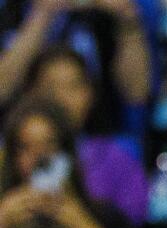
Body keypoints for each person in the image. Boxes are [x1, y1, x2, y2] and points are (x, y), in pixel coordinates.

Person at [0, 100, 145, 228]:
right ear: (12, 160)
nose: (39, 158)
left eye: (49, 144)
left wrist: (78, 223)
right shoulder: (4, 216)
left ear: (67, 153)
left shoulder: (103, 214)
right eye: (25, 147)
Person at [17, 48, 145, 227]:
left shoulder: (117, 159)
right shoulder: (8, 155)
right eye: (51, 88)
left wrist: (72, 218)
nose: (62, 99)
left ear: (90, 94)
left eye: (73, 86)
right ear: (30, 95)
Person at [0, 0, 150, 134]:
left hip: (97, 142)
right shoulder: (12, 10)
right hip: (23, 142)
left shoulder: (105, 16)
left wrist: (127, 19)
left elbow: (137, 93)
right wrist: (42, 15)